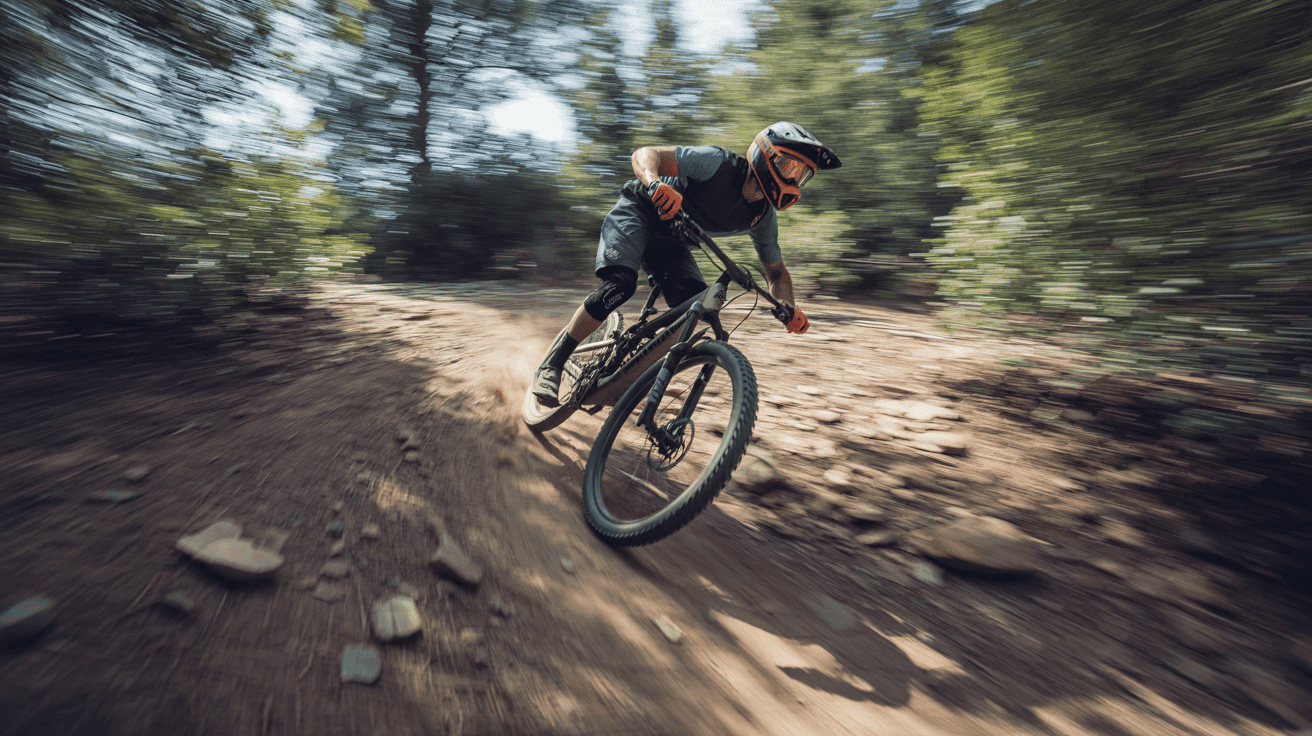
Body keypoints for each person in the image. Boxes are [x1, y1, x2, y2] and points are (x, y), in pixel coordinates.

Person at [531, 121, 842, 407]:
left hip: (673, 240)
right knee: (620, 287)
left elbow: (775, 272)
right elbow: (646, 153)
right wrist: (654, 183)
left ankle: (628, 367)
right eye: (790, 167)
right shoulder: (718, 164)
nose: (795, 180)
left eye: (802, 175)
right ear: (766, 155)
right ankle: (553, 364)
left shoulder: (763, 218)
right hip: (639, 211)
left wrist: (788, 305)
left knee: (698, 312)